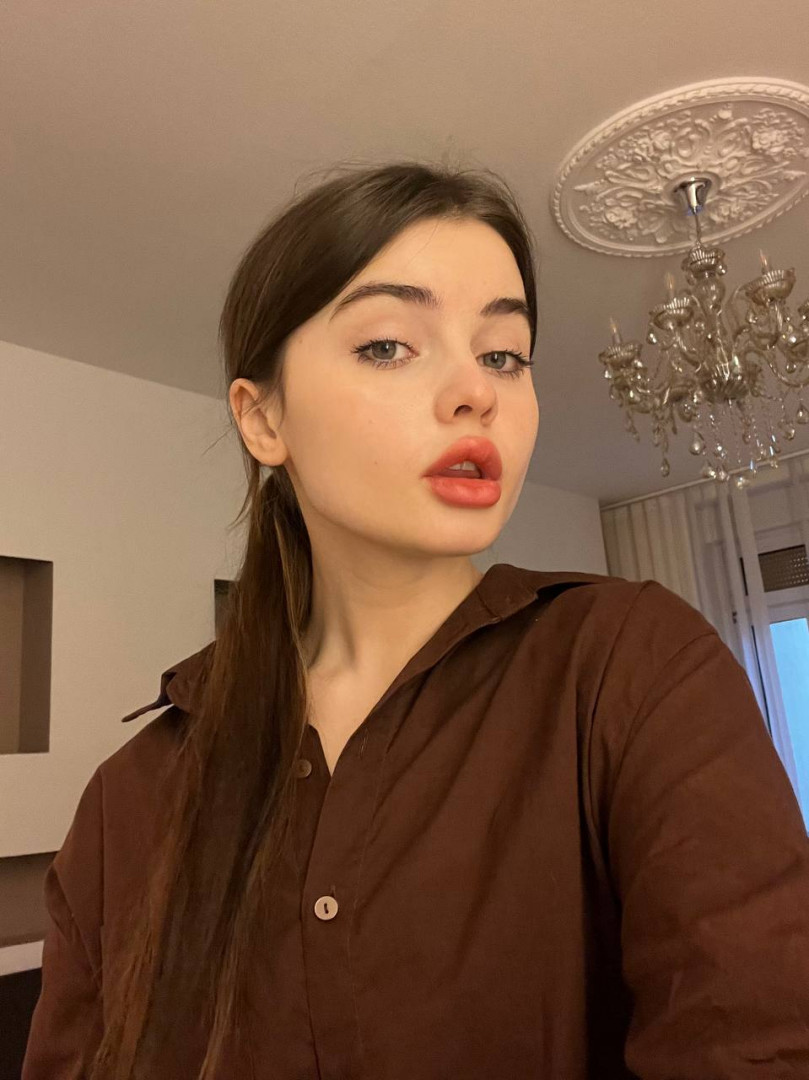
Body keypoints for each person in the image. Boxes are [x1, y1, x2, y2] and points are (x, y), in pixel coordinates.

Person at [22, 160, 809, 1080]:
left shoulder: (629, 666)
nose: (477, 391)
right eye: (390, 345)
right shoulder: (127, 803)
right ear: (262, 418)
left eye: (502, 354)